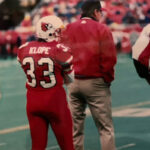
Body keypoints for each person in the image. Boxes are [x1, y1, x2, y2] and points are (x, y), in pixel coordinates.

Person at [62, 0, 117, 150]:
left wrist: (67, 78)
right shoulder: (102, 29)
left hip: (72, 81)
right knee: (105, 128)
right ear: (96, 12)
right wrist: (107, 79)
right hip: (95, 81)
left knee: (75, 128)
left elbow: (62, 55)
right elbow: (109, 58)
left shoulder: (68, 28)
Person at [17, 15, 74, 150]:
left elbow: (28, 69)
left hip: (32, 102)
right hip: (55, 102)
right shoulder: (60, 50)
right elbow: (72, 78)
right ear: (50, 31)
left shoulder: (24, 48)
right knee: (67, 146)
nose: (60, 33)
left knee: (37, 145)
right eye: (58, 30)